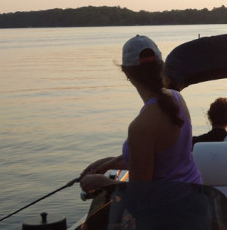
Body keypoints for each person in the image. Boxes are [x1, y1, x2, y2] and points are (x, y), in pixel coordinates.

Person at [79, 35, 202, 193]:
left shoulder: (141, 126)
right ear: (162, 66)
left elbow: (139, 193)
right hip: (197, 201)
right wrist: (107, 164)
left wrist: (101, 182)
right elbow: (163, 159)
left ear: (126, 73)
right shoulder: (177, 98)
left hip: (170, 211)